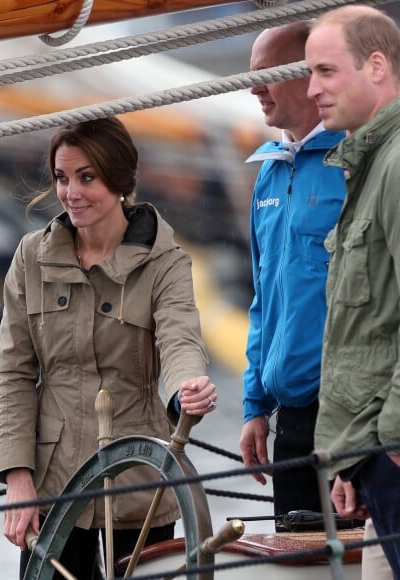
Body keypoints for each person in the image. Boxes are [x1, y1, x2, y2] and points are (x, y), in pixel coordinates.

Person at [0, 116, 218, 579]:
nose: (71, 192)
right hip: (54, 488)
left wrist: (187, 389)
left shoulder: (165, 261)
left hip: (142, 482)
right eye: (61, 178)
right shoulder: (29, 258)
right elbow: (12, 372)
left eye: (86, 177)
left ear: (120, 181)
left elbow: (180, 339)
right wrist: (18, 478)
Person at [238, 20, 347, 527]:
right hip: (294, 418)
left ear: (312, 77)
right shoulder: (269, 172)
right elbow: (265, 300)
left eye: (268, 73)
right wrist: (255, 405)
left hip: (350, 409)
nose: (253, 87)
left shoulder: (357, 162)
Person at [305, 5, 400, 575]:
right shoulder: (371, 163)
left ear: (377, 66)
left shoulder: (395, 164)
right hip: (374, 447)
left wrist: (391, 435)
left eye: (325, 71)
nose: (311, 88)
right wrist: (350, 458)